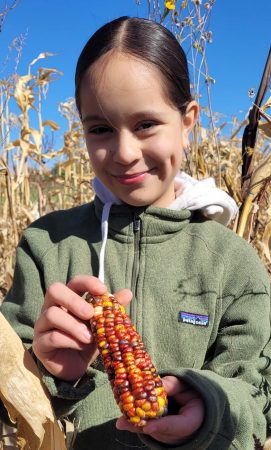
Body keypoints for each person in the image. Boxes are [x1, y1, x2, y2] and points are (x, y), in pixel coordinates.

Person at [1, 16, 271, 450]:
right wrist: (45, 371)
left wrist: (210, 408)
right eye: (100, 129)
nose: (125, 154)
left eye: (146, 124)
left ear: (188, 122)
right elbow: (9, 401)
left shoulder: (234, 263)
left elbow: (258, 399)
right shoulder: (45, 247)